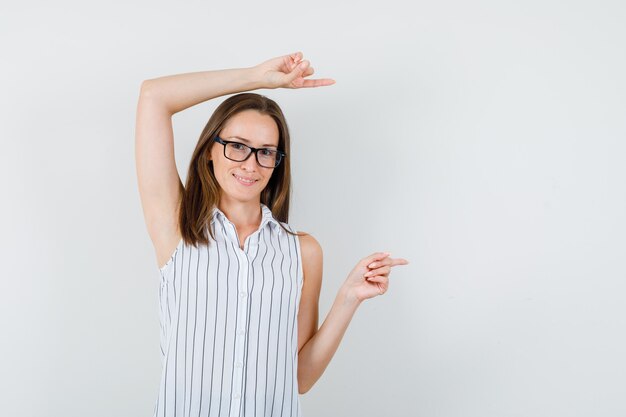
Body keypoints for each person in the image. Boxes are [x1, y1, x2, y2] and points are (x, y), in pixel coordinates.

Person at [135, 51, 409, 417]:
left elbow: (300, 377)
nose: (250, 164)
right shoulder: (177, 228)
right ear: (209, 153)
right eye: (237, 146)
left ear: (278, 162)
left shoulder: (303, 251)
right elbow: (154, 97)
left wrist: (348, 297)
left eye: (266, 152)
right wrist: (255, 77)